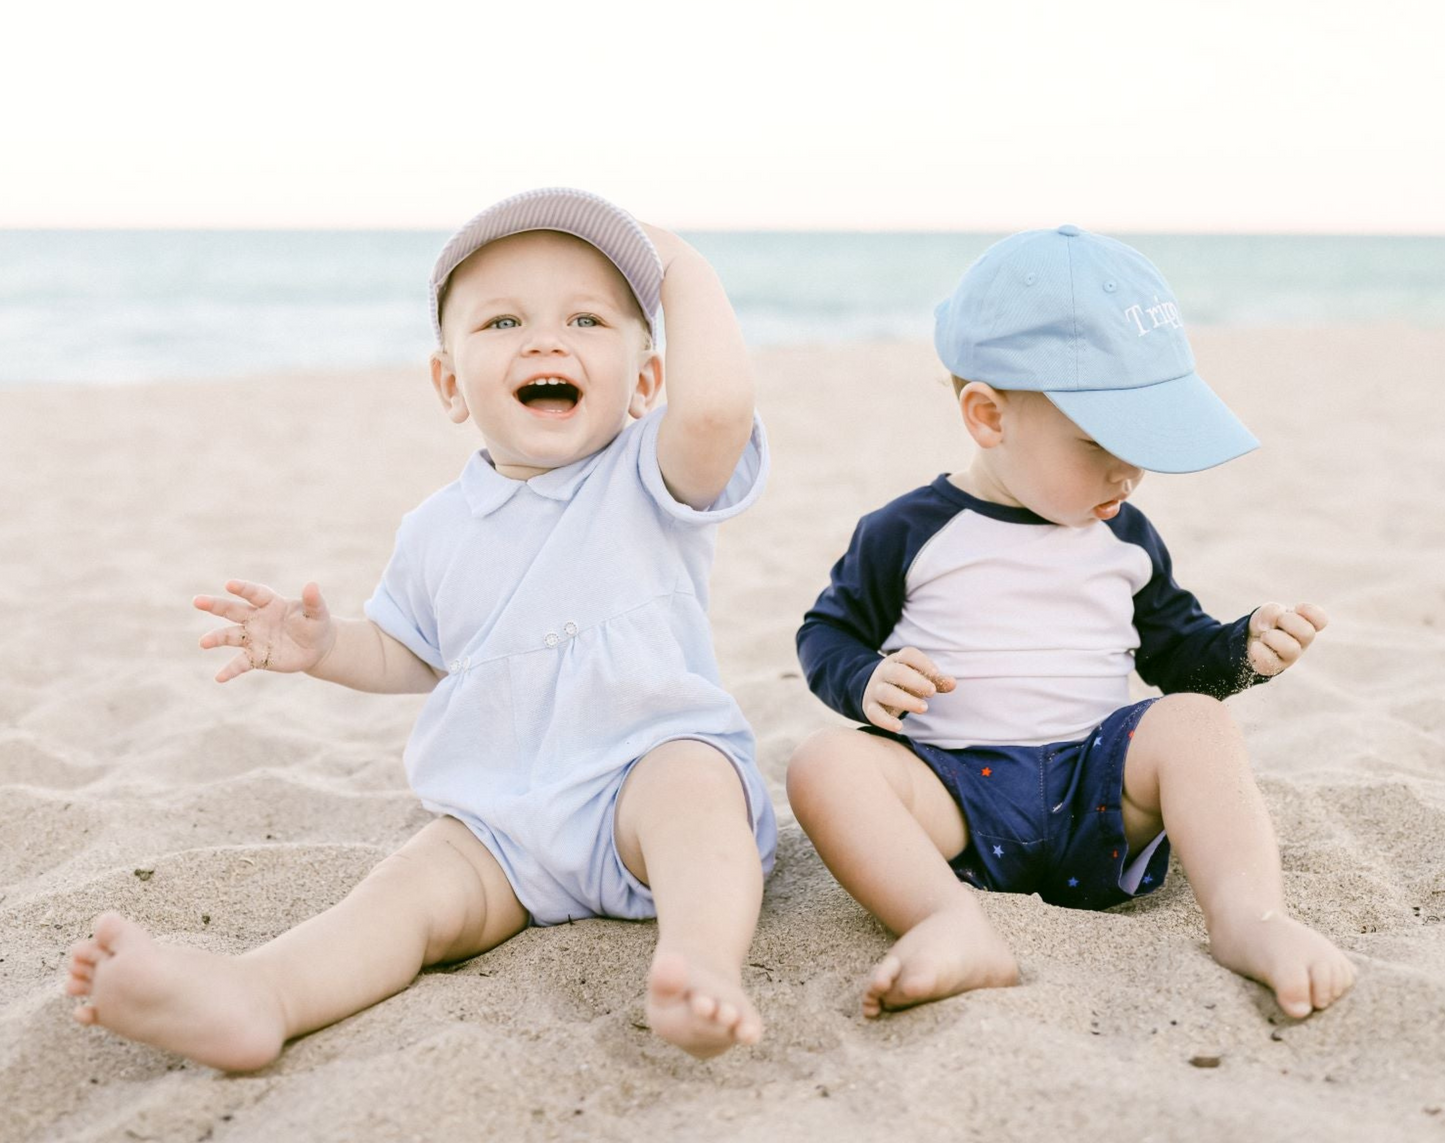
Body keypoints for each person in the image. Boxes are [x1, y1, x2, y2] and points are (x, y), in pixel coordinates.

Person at [63, 188, 777, 1066]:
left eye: (587, 320)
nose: (545, 341)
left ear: (646, 381)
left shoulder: (650, 473)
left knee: (694, 786)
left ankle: (699, 965)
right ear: (449, 383)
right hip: (503, 822)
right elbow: (413, 652)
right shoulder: (437, 528)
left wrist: (683, 270)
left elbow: (717, 412)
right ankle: (260, 994)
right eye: (503, 321)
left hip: (638, 784)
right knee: (404, 892)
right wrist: (325, 649)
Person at [789, 224, 1356, 1022]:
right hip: (954, 795)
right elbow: (826, 634)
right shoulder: (907, 532)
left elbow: (1176, 658)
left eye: (1144, 443)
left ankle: (1248, 917)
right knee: (825, 765)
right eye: (1102, 443)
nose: (1128, 471)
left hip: (1100, 792)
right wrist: (867, 678)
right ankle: (947, 922)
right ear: (987, 416)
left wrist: (1240, 652)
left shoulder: (1124, 535)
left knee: (1191, 721)